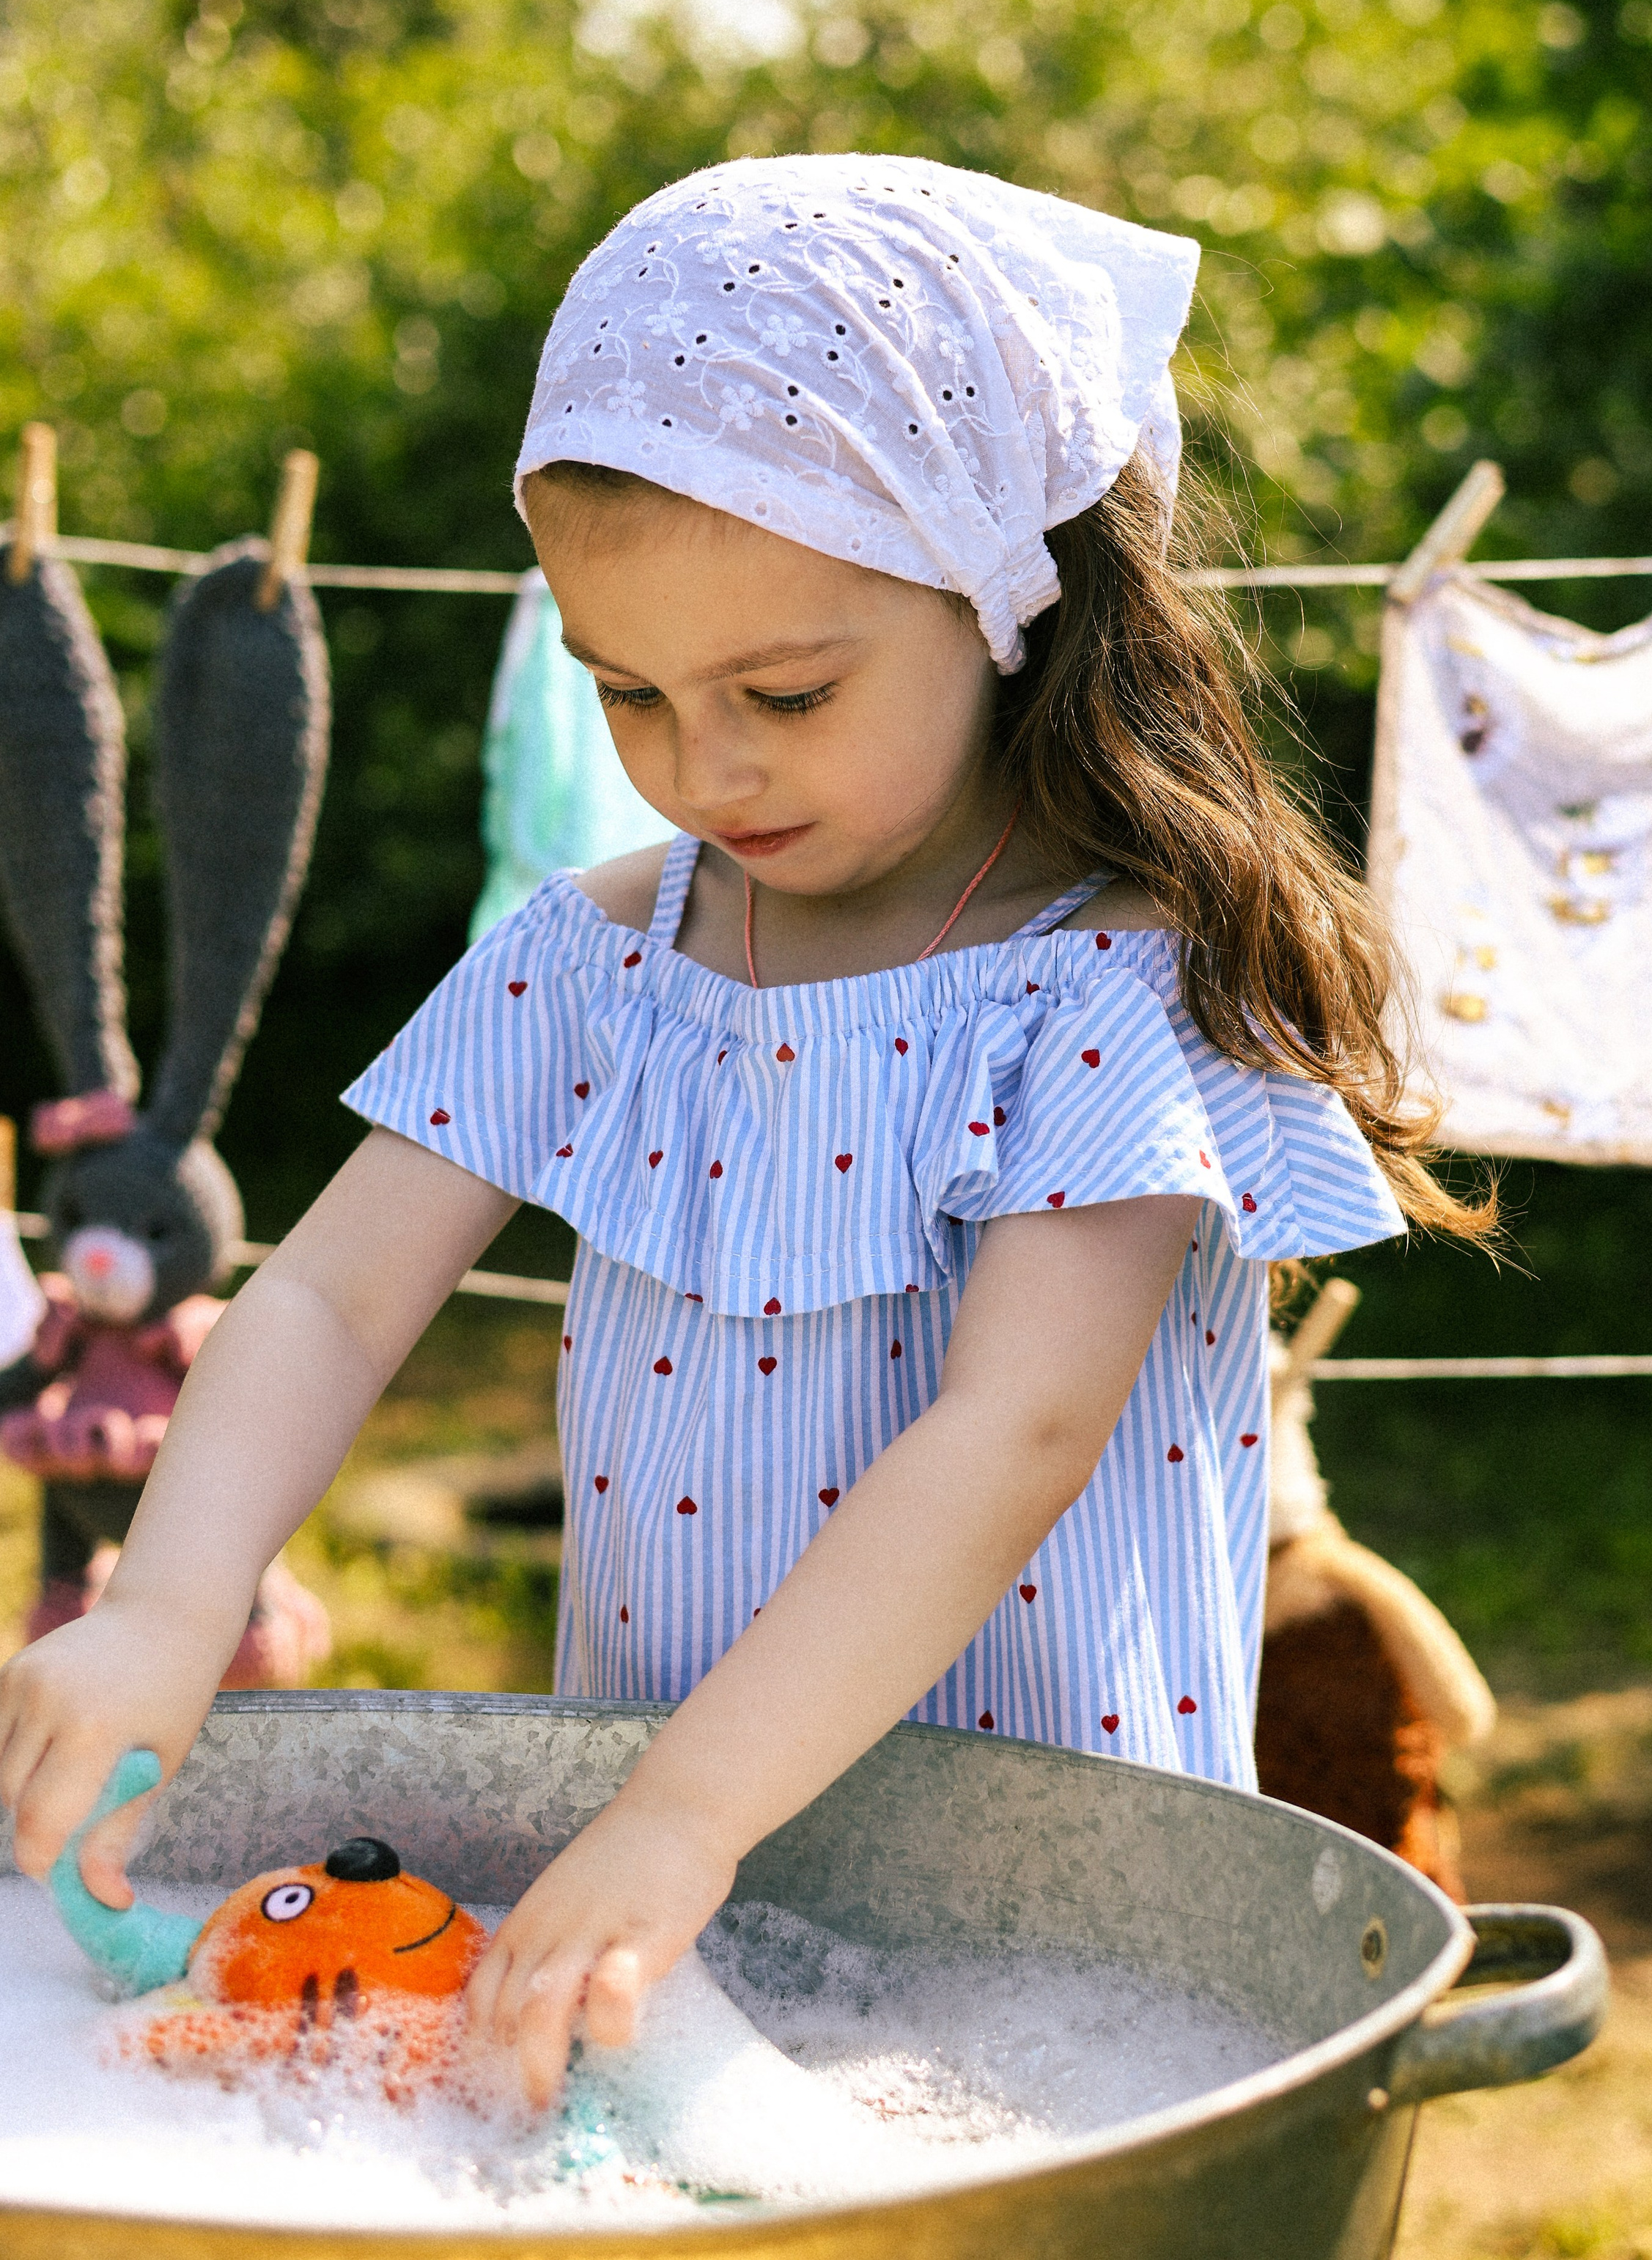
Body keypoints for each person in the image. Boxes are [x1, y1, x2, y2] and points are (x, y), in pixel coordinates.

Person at [0, 155, 1486, 2110]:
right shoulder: (612, 955)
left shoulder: (1101, 989)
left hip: (1044, 1911)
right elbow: (339, 1297)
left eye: (785, 688)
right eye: (627, 691)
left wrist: (691, 1808)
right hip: (662, 1877)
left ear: (1001, 592)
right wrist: (170, 1606)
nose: (706, 767)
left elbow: (1014, 1432)